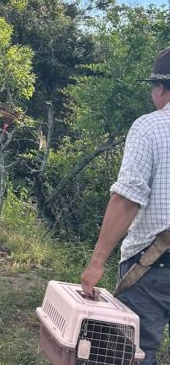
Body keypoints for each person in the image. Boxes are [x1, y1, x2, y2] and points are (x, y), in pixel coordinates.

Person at [81, 46, 170, 364]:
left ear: (160, 89)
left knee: (135, 351)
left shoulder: (150, 127)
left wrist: (96, 263)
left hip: (153, 268)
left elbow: (126, 200)